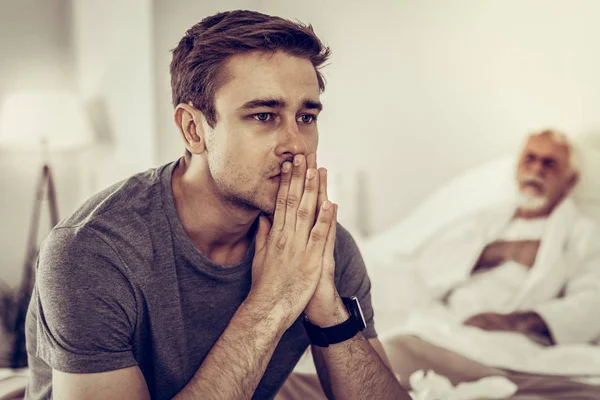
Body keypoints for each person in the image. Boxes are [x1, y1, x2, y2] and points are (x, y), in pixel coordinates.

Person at [24, 10, 409, 400]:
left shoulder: (319, 247)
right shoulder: (92, 251)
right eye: (264, 115)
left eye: (306, 116)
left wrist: (329, 312)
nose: (296, 144)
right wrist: (272, 301)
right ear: (193, 129)